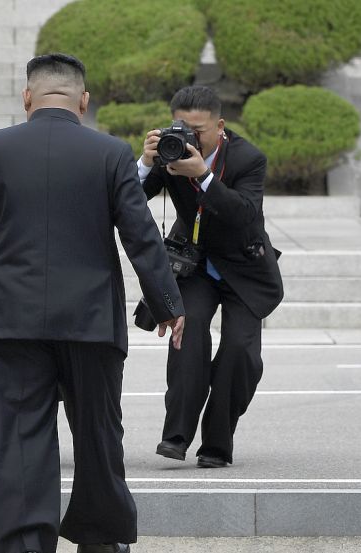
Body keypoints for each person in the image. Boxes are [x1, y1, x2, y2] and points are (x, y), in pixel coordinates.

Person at [0, 53, 185, 553]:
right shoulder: (111, 153)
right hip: (91, 321)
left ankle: (23, 545)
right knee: (99, 437)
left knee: (19, 447)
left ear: (27, 98)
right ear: (83, 101)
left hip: (9, 322)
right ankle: (100, 540)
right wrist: (167, 304)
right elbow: (140, 235)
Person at [138, 85, 284, 469]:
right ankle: (176, 436)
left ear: (220, 126)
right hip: (196, 265)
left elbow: (245, 216)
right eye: (182, 128)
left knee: (240, 352)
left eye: (199, 130)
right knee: (189, 337)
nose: (190, 139)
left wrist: (203, 176)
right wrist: (143, 163)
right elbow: (128, 201)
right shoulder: (168, 153)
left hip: (245, 268)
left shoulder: (249, 158)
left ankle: (217, 442)